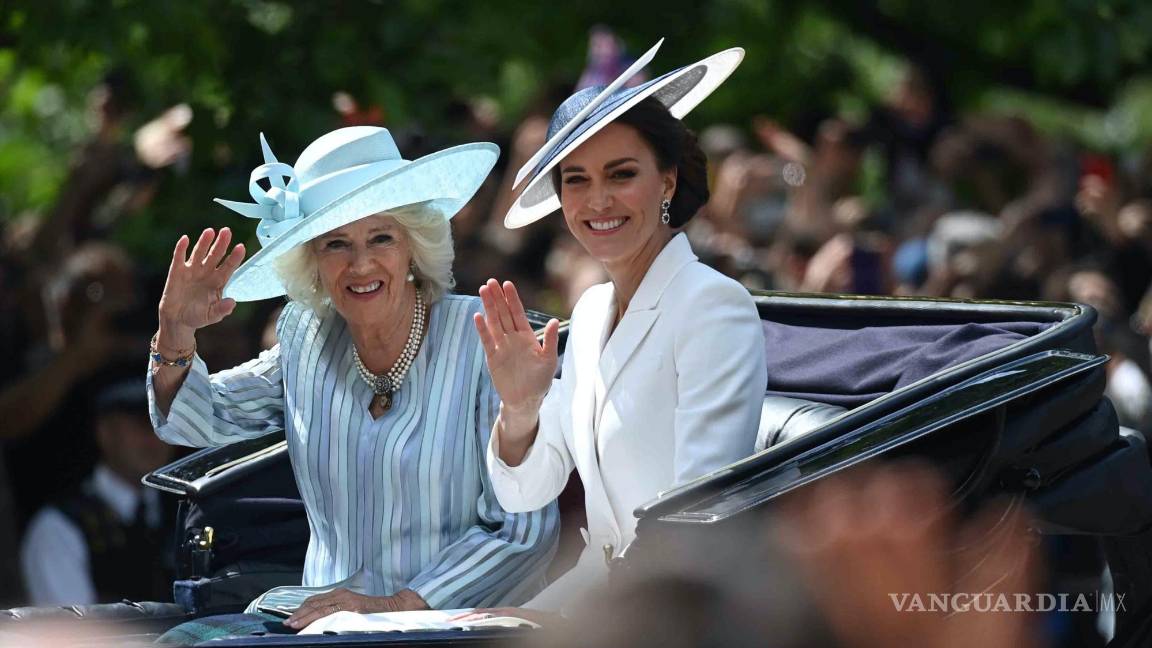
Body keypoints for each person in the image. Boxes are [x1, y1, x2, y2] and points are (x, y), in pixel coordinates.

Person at [147, 127, 558, 639]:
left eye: (381, 237)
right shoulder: (307, 338)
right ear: (313, 264)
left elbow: (522, 532)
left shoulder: (482, 339)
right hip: (319, 625)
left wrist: (397, 605)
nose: (360, 264)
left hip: (459, 629)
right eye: (336, 243)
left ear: (413, 246)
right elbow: (201, 417)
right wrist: (176, 332)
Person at [472, 41, 767, 617]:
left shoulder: (713, 306)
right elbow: (525, 492)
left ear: (667, 182)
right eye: (576, 180)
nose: (597, 200)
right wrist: (520, 409)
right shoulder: (587, 313)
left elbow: (698, 516)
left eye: (621, 173)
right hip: (600, 595)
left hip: (681, 609)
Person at [20, 379, 176, 605]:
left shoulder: (186, 510)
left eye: (164, 423)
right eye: (141, 422)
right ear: (105, 432)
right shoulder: (59, 527)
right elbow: (74, 635)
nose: (153, 436)